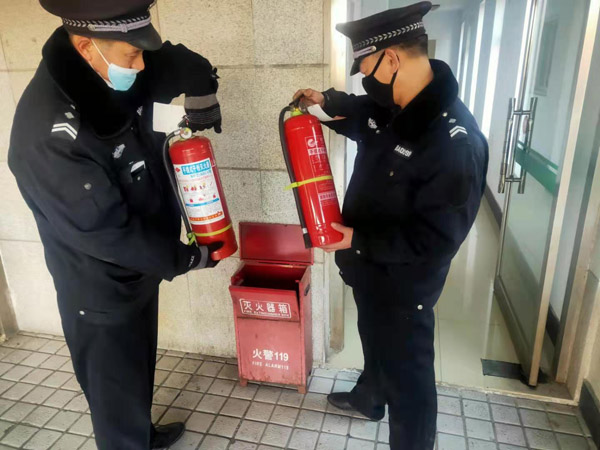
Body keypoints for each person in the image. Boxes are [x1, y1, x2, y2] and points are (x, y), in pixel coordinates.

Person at [8, 1, 223, 448]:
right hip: (99, 289)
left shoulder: (108, 64)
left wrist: (204, 95)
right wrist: (188, 258)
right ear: (87, 47)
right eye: (133, 55)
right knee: (113, 392)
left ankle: (141, 434)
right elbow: (108, 232)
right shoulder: (49, 134)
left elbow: (179, 62)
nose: (141, 66)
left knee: (137, 369)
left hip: (139, 270)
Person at [293, 2, 488, 448]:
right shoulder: (398, 104)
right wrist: (327, 102)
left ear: (392, 59)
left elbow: (437, 241)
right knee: (372, 336)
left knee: (409, 381)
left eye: (367, 70)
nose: (366, 82)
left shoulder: (455, 144)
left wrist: (357, 238)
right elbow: (365, 114)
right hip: (369, 268)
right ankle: (369, 397)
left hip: (404, 286)